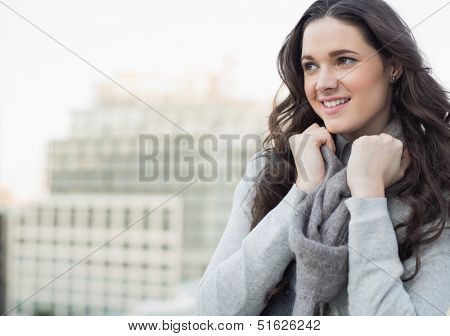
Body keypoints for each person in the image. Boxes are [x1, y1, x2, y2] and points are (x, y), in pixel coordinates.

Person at [196, 0, 449, 315]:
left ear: (393, 66)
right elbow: (213, 313)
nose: (323, 83)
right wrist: (301, 191)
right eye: (310, 66)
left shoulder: (439, 182)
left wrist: (368, 196)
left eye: (344, 60)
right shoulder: (273, 169)